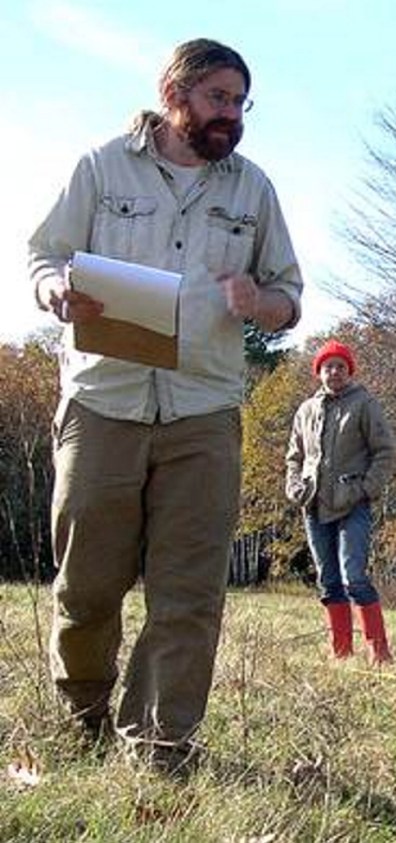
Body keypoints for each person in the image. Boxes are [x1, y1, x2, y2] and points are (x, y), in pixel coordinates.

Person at [27, 38, 303, 773]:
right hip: (102, 402)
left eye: (241, 102)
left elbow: (290, 297)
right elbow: (43, 255)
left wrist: (261, 303)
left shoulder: (253, 190)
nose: (232, 115)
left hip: (204, 410)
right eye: (219, 97)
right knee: (88, 585)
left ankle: (158, 741)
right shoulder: (100, 167)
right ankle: (81, 713)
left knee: (189, 592)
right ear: (172, 91)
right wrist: (56, 290)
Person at [285, 339, 396, 664]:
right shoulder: (306, 409)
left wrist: (366, 488)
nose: (334, 372)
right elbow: (293, 457)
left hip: (353, 505)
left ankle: (380, 654)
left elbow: (386, 453)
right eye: (327, 366)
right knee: (328, 581)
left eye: (340, 366)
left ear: (349, 371)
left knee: (354, 578)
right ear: (318, 372)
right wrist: (294, 487)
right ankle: (342, 655)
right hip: (314, 506)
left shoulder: (364, 404)